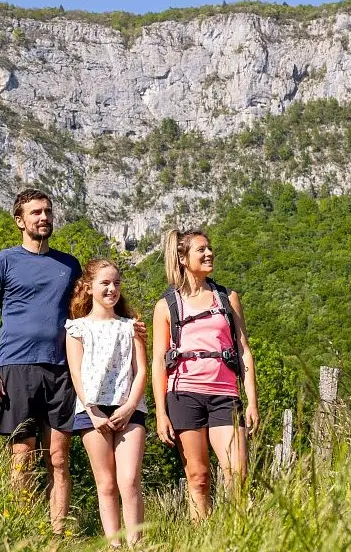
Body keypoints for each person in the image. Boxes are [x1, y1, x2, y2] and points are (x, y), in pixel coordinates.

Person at [0, 189, 81, 534]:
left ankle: (57, 535)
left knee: (59, 459)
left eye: (48, 212)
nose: (44, 218)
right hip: (15, 368)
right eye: (36, 212)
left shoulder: (70, 265)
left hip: (62, 370)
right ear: (20, 220)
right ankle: (23, 530)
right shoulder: (2, 262)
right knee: (22, 456)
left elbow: (85, 314)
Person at [151, 229, 259, 520]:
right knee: (198, 476)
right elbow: (159, 362)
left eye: (210, 248)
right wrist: (161, 413)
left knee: (238, 472)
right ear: (183, 258)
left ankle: (238, 532)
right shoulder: (166, 305)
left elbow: (244, 350)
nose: (209, 253)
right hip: (183, 394)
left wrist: (252, 402)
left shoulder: (227, 298)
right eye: (201, 250)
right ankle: (202, 536)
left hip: (225, 394)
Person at [65, 259, 147, 548]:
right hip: (92, 412)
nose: (112, 289)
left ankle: (136, 543)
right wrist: (93, 411)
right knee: (107, 484)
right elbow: (76, 373)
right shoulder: (76, 328)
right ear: (88, 288)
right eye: (105, 283)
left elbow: (142, 372)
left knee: (129, 480)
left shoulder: (131, 326)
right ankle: (114, 544)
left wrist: (129, 407)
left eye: (116, 283)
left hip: (130, 409)